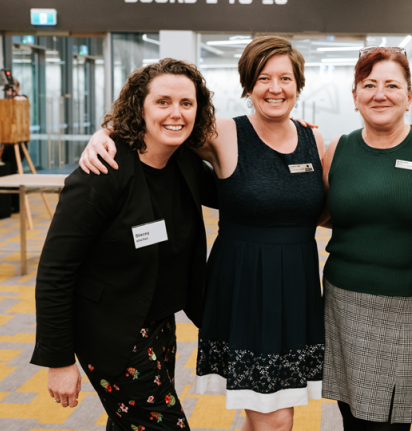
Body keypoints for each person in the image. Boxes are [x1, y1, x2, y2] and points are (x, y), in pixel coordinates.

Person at [78, 36, 325, 431]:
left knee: (268, 413)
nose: (275, 88)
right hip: (245, 286)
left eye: (285, 78)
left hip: (296, 290)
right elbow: (159, 129)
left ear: (299, 85)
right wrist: (103, 136)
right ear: (247, 85)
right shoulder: (222, 133)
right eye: (263, 78)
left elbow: (326, 209)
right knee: (275, 419)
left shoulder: (315, 140)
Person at [31, 59, 218, 429]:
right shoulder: (103, 171)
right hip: (109, 330)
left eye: (187, 103)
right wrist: (59, 361)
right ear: (140, 107)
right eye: (162, 102)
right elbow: (55, 270)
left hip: (159, 323)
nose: (176, 113)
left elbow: (242, 191)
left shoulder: (184, 164)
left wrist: (287, 132)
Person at [320, 47, 412, 430]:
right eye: (368, 85)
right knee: (352, 414)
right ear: (354, 96)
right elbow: (323, 213)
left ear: (409, 97)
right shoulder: (339, 149)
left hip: (408, 307)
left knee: (394, 420)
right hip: (344, 301)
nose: (379, 94)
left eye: (392, 85)